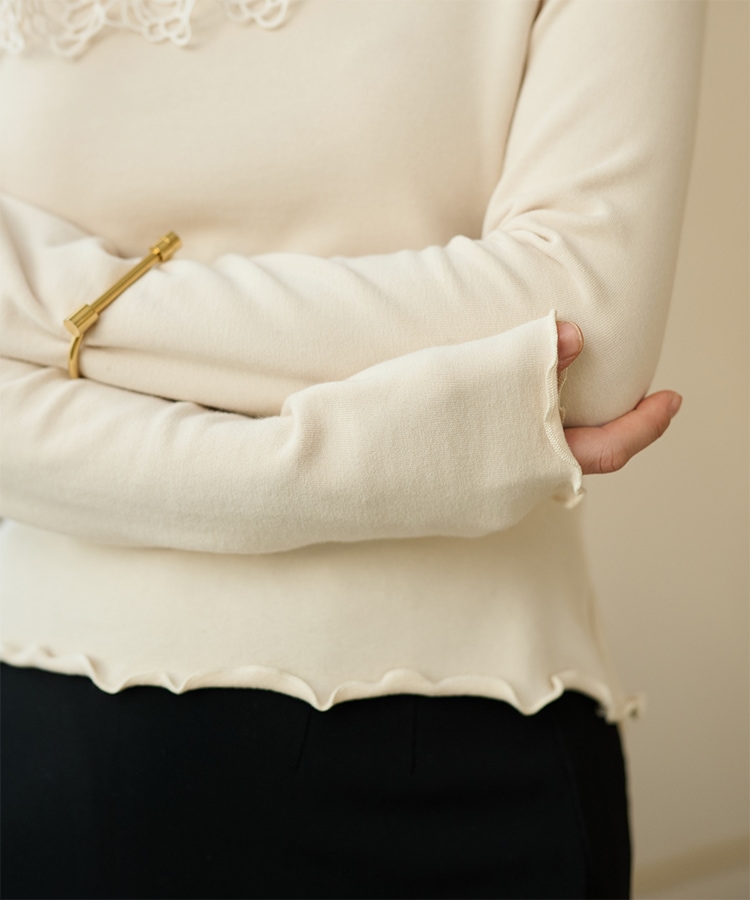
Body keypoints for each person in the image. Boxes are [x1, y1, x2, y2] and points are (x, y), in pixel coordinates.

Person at [0, 1, 705, 897]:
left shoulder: (40, 295)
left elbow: (585, 336)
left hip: (472, 744)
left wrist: (54, 299)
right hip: (58, 732)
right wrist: (407, 453)